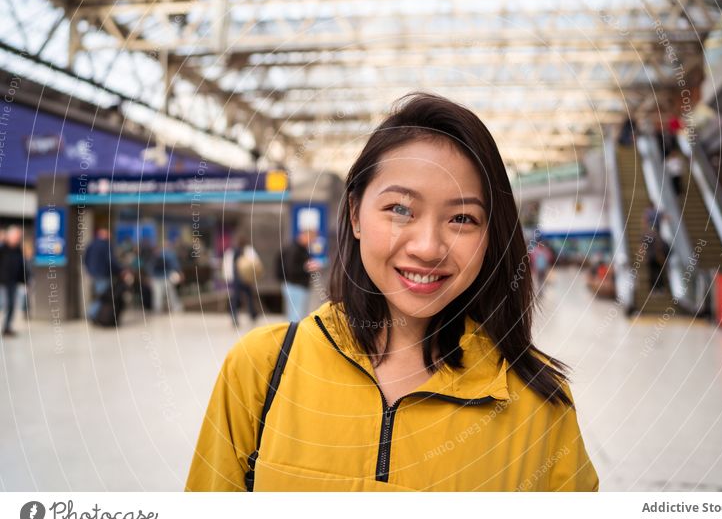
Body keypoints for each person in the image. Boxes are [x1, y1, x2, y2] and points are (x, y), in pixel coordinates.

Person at [186, 93, 598, 492]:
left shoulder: (539, 407)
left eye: (462, 218)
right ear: (355, 214)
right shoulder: (261, 370)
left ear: (492, 235)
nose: (428, 247)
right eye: (400, 209)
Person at [276, 230, 321, 322]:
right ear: (305, 236)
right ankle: (295, 336)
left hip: (297, 286)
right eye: (312, 239)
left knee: (297, 316)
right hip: (295, 286)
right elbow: (291, 269)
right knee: (296, 317)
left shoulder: (301, 248)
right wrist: (307, 268)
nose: (312, 242)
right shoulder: (294, 249)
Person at [83, 228, 122, 322]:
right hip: (103, 274)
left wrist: (89, 270)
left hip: (94, 274)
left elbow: (85, 259)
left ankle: (94, 314)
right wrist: (120, 270)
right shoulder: (106, 245)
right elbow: (111, 261)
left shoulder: (91, 244)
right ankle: (92, 313)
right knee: (102, 296)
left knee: (98, 294)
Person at [223, 235, 262, 326]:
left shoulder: (233, 251)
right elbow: (256, 263)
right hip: (244, 279)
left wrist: (228, 278)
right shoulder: (248, 251)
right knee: (247, 297)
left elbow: (227, 265)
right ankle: (250, 315)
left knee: (238, 298)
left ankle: (237, 316)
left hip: (239, 279)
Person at [0, 226, 26, 337]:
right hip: (2, 281)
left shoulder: (18, 250)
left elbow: (21, 266)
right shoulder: (2, 248)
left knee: (11, 305)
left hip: (13, 281)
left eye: (19, 237)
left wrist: (23, 279)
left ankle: (7, 327)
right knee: (5, 304)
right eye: (16, 236)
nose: (18, 239)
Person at [150, 240, 183, 314]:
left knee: (169, 294)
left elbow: (174, 265)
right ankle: (158, 310)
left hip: (166, 277)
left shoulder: (168, 254)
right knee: (159, 295)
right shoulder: (159, 254)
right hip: (159, 277)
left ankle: (174, 308)